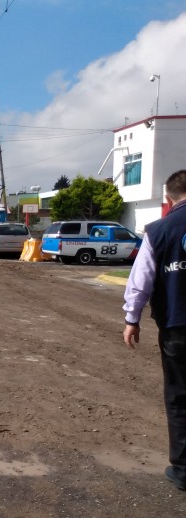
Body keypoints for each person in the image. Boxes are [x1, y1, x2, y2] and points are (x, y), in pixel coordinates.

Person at [123, 169, 186, 492]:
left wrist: (131, 319)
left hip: (178, 327)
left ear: (167, 198)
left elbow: (141, 279)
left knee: (179, 398)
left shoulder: (159, 230)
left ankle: (183, 470)